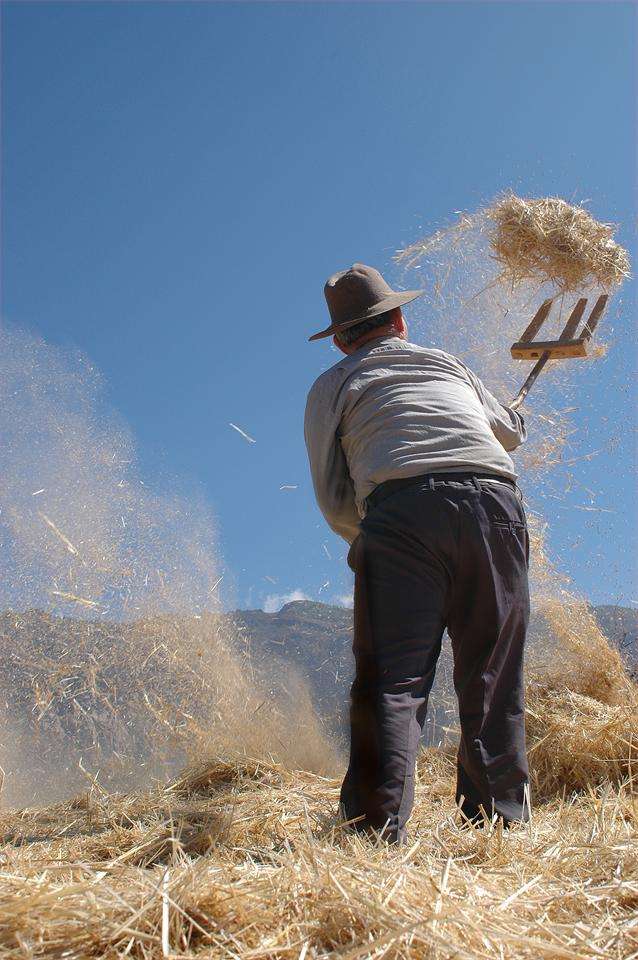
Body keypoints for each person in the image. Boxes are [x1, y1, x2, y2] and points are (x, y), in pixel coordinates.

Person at [304, 263, 530, 843]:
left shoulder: (334, 383)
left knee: (391, 681)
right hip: (494, 506)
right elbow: (508, 431)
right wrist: (513, 416)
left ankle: (375, 834)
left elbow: (333, 495)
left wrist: (373, 540)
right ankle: (496, 827)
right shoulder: (448, 364)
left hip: (400, 514)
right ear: (400, 320)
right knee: (492, 674)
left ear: (339, 338)